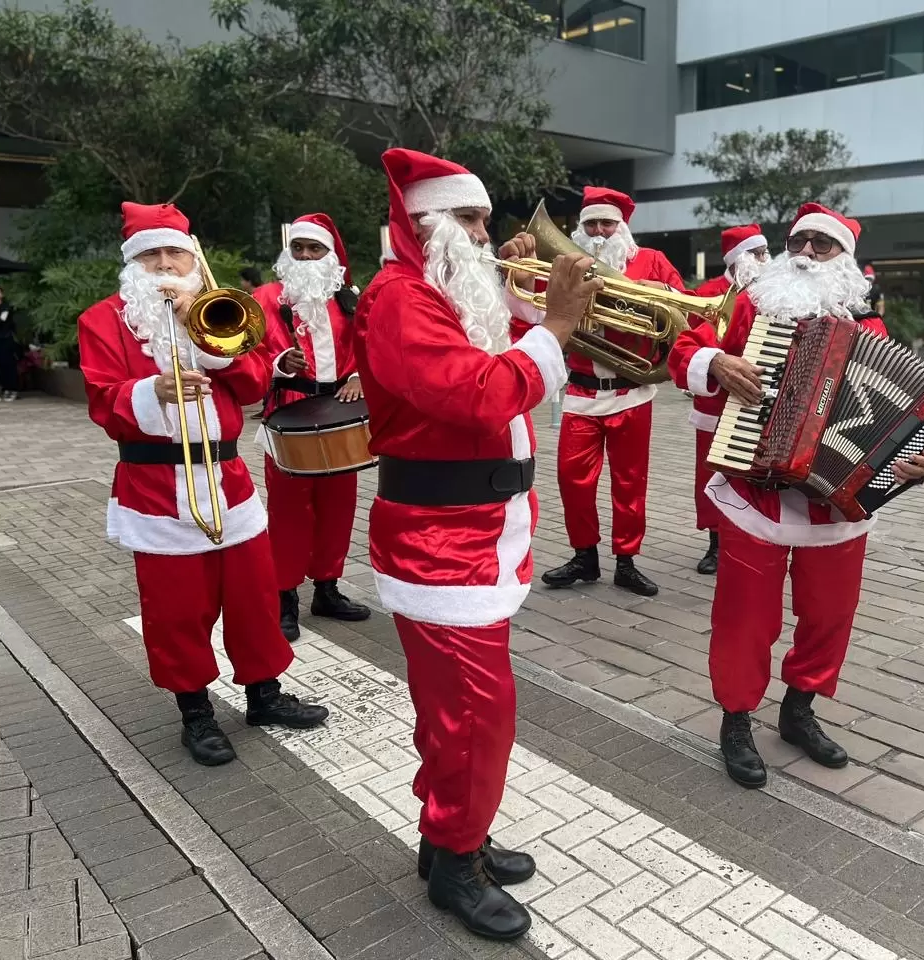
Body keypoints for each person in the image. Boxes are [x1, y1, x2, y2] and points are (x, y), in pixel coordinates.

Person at [356, 148, 590, 940]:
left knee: (456, 713)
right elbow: (481, 392)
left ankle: (449, 834)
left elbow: (486, 347)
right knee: (475, 717)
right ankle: (456, 861)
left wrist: (511, 291)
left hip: (474, 537)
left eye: (489, 218)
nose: (489, 233)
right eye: (472, 219)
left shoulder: (439, 287)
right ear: (425, 223)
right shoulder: (398, 298)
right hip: (440, 544)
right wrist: (556, 324)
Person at [668, 204, 924, 788]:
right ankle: (736, 719)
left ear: (848, 260)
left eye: (824, 245)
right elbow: (684, 348)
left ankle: (799, 710)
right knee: (745, 616)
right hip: (755, 490)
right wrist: (716, 362)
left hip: (834, 502)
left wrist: (919, 460)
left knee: (829, 617)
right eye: (801, 242)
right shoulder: (749, 306)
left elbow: (903, 420)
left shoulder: (871, 333)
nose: (808, 253)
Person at [77, 202, 329, 767]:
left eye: (176, 254)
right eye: (151, 256)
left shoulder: (219, 312)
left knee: (254, 599)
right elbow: (101, 401)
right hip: (153, 488)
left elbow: (253, 384)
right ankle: (195, 712)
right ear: (132, 265)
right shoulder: (102, 319)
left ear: (194, 260)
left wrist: (212, 341)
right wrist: (150, 393)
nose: (165, 266)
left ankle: (264, 695)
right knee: (175, 611)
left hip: (228, 478)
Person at [540, 186, 686, 598]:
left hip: (633, 392)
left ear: (622, 227)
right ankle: (584, 555)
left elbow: (683, 309)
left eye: (608, 223)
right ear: (580, 228)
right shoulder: (566, 262)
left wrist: (657, 298)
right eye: (592, 223)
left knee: (629, 482)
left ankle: (627, 561)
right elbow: (536, 310)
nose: (600, 231)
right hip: (582, 396)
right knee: (573, 480)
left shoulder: (651, 260)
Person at [254, 214, 371, 641]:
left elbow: (367, 344)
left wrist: (361, 376)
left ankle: (327, 588)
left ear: (331, 256)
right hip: (290, 410)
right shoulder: (266, 297)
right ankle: (284, 597)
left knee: (339, 507)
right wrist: (278, 364)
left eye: (314, 249)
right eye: (298, 247)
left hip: (339, 413)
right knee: (287, 511)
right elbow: (247, 353)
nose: (304, 255)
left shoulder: (348, 299)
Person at [689, 224, 768, 574]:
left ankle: (757, 533)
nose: (765, 260)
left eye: (765, 252)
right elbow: (691, 339)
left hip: (759, 402)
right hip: (715, 403)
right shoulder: (710, 293)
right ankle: (716, 542)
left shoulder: (775, 294)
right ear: (739, 259)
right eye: (757, 254)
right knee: (709, 472)